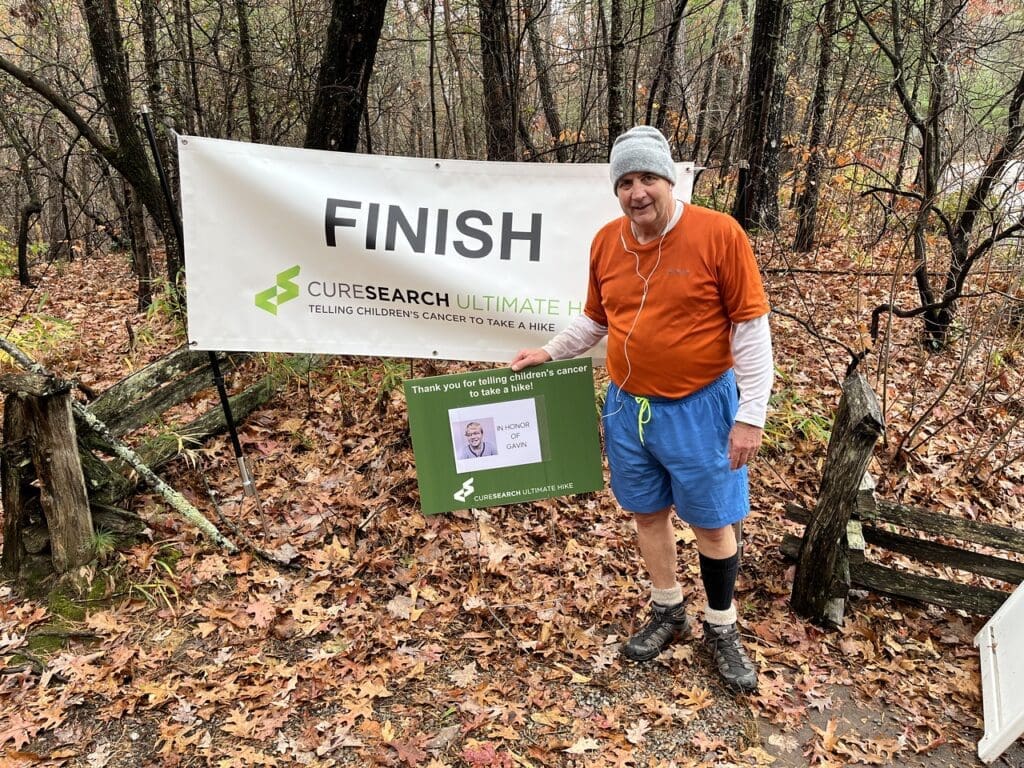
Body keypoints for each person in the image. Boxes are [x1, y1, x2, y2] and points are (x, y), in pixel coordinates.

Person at [510, 125, 773, 693]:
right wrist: (549, 351)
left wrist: (751, 414)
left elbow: (750, 329)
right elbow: (596, 319)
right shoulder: (607, 241)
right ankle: (668, 608)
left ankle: (721, 625)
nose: (637, 192)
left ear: (670, 179)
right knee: (647, 513)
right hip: (629, 408)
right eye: (625, 181)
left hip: (701, 408)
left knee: (710, 520)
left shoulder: (719, 234)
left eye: (648, 177)